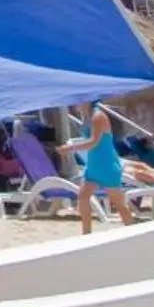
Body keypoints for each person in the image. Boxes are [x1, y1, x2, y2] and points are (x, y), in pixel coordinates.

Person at [58, 101, 137, 236]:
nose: (75, 104)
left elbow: (94, 141)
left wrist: (70, 148)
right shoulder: (87, 117)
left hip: (106, 164)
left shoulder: (98, 116)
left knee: (118, 203)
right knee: (83, 196)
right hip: (94, 165)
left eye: (79, 101)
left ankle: (134, 232)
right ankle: (86, 234)